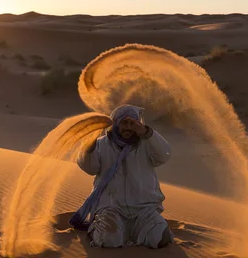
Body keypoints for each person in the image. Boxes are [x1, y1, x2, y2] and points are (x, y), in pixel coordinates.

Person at [70, 104, 173, 249]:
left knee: (161, 238)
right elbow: (89, 168)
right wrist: (88, 147)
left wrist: (147, 132)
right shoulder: (101, 145)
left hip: (144, 208)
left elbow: (164, 155)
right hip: (112, 207)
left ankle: (135, 233)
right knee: (109, 240)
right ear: (116, 123)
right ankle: (98, 229)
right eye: (124, 123)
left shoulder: (146, 143)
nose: (129, 128)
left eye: (133, 123)